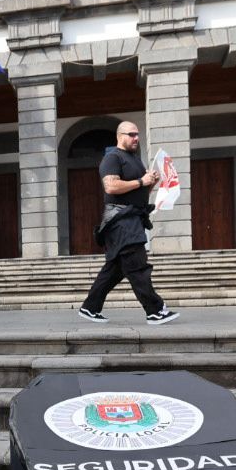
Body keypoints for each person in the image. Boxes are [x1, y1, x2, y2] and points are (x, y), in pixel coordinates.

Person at [78, 121, 177, 326]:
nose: (136, 138)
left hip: (133, 219)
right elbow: (111, 186)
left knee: (115, 269)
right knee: (138, 266)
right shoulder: (112, 158)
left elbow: (139, 193)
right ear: (120, 136)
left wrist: (151, 183)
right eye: (131, 134)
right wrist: (142, 181)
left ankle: (90, 307)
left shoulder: (135, 159)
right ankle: (155, 311)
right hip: (120, 221)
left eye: (137, 134)